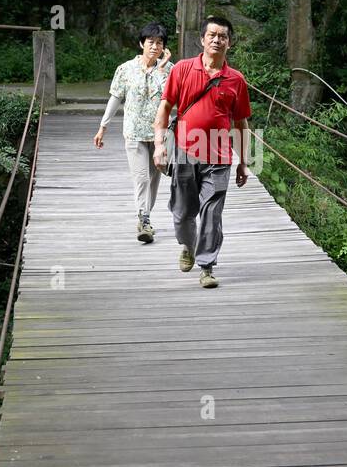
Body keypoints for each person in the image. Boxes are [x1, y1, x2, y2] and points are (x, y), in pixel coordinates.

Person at [152, 16, 251, 288]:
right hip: (184, 152)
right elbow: (164, 109)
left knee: (212, 213)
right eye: (212, 35)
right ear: (202, 39)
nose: (217, 40)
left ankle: (207, 266)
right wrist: (160, 145)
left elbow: (241, 123)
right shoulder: (182, 70)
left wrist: (244, 162)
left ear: (229, 43)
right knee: (182, 212)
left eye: (223, 36)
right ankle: (188, 245)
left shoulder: (236, 79)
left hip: (219, 157)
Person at [94, 22, 174, 243]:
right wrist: (103, 126)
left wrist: (163, 68)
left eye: (159, 43)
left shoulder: (170, 70)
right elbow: (115, 98)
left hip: (159, 136)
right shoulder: (125, 69)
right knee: (141, 178)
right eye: (151, 42)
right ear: (141, 43)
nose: (155, 47)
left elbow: (173, 98)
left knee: (154, 180)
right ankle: (144, 218)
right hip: (134, 133)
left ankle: (146, 217)